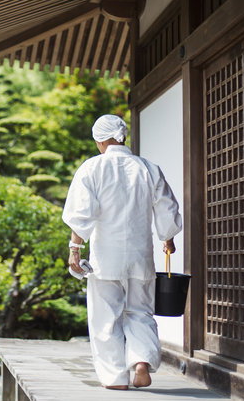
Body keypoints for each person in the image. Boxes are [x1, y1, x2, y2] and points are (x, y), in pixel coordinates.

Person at [62, 114, 182, 390]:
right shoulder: (149, 168)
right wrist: (168, 238)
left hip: (106, 257)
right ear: (122, 137)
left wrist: (75, 250)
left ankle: (115, 378)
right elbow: (167, 209)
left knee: (105, 316)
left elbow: (82, 214)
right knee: (140, 312)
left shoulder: (92, 168)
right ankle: (141, 362)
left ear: (100, 140)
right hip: (141, 257)